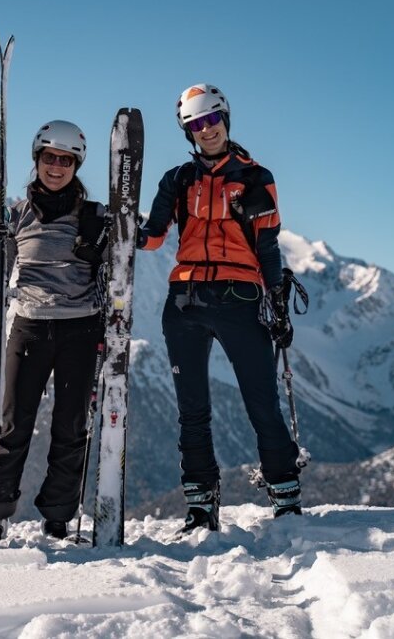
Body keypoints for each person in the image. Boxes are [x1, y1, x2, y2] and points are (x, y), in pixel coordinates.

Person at [137, 84, 301, 532]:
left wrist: (276, 304)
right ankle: (200, 504)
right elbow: (152, 237)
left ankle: (285, 495)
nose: (206, 130)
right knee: (192, 409)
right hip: (185, 300)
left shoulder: (254, 177)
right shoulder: (177, 179)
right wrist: (120, 228)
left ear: (225, 119)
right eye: (195, 124)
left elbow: (267, 248)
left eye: (212, 120)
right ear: (187, 131)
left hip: (241, 297)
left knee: (261, 401)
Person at [0, 120, 108, 541]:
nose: (56, 167)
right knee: (13, 424)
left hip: (80, 330)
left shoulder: (93, 216)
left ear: (76, 165)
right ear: (37, 161)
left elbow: (123, 260)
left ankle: (58, 515)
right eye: (49, 158)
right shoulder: (14, 214)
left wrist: (103, 244)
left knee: (71, 427)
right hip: (29, 327)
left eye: (66, 160)